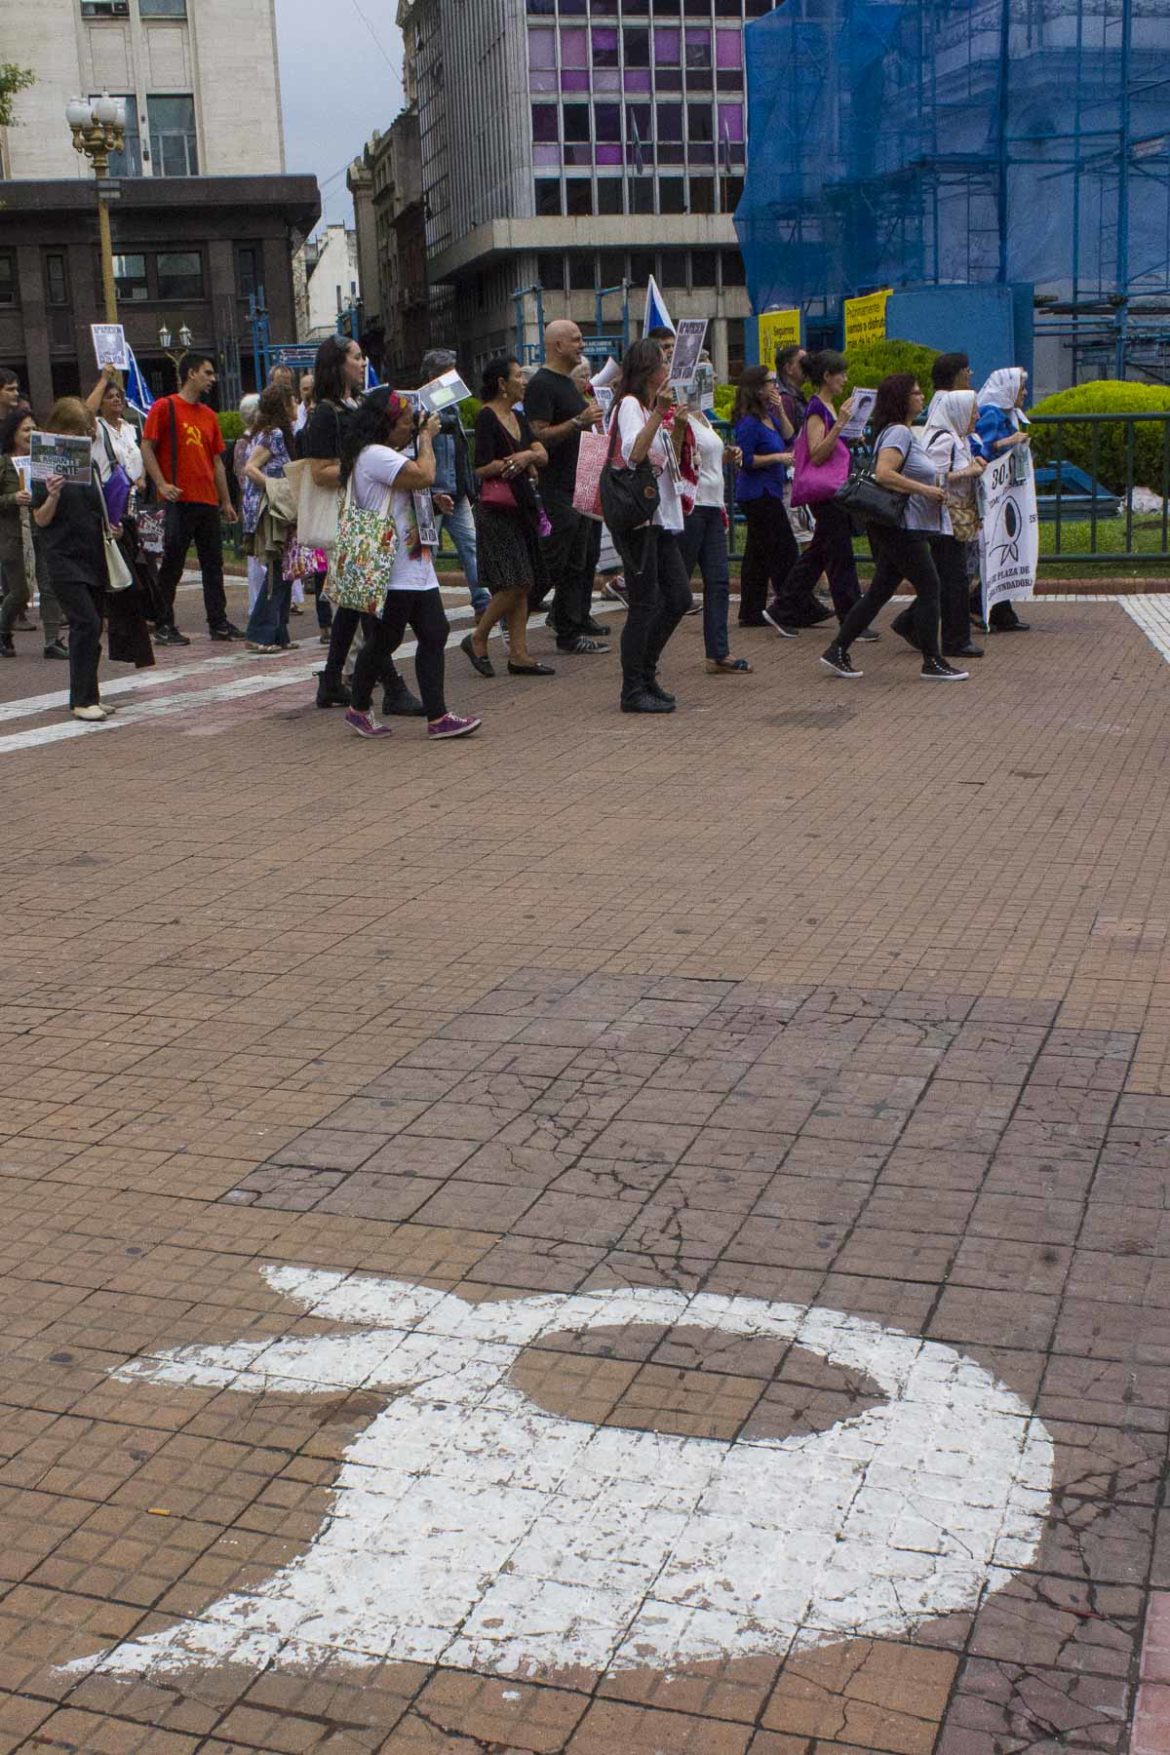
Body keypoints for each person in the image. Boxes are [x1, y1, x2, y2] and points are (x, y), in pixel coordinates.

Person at [338, 386, 480, 742]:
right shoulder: (373, 455)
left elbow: (407, 495)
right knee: (384, 641)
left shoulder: (388, 453)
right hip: (390, 566)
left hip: (415, 561)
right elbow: (424, 475)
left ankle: (438, 717)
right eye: (404, 423)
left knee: (434, 632)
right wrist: (427, 438)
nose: (410, 429)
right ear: (383, 425)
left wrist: (433, 505)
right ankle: (358, 707)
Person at [821, 374, 968, 682]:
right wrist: (925, 490)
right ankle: (932, 660)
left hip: (899, 525)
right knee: (931, 587)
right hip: (902, 526)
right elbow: (884, 473)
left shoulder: (899, 432)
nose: (921, 398)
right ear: (901, 399)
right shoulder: (898, 433)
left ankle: (837, 650)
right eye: (915, 394)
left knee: (879, 592)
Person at [303, 335, 421, 716]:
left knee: (354, 606)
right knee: (368, 605)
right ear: (338, 364)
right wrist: (364, 469)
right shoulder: (325, 413)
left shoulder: (351, 405)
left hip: (363, 516)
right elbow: (320, 472)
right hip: (349, 520)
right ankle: (391, 687)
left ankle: (333, 679)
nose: (361, 362)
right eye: (355, 357)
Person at [610, 338, 692, 715]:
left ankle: (647, 672)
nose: (667, 370)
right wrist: (659, 414)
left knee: (678, 597)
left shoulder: (647, 408)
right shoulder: (630, 406)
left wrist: (676, 422)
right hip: (639, 519)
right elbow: (633, 454)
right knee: (643, 604)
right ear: (647, 371)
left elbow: (663, 459)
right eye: (662, 364)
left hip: (659, 518)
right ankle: (633, 688)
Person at [461, 356, 553, 679]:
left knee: (525, 581)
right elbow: (481, 466)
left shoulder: (518, 416)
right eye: (517, 376)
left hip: (522, 507)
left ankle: (519, 654)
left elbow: (542, 453)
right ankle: (478, 637)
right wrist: (509, 464)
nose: (523, 381)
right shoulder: (487, 416)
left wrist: (527, 455)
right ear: (502, 383)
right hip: (498, 509)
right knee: (516, 581)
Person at [141, 352, 241, 645]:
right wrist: (161, 483)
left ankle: (218, 622)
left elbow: (217, 462)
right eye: (208, 373)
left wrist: (226, 501)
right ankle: (162, 622)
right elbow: (147, 447)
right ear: (191, 373)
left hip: (207, 501)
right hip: (178, 500)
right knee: (172, 562)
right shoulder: (165, 407)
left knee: (213, 564)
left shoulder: (209, 416)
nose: (213, 379)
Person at [524, 320, 609, 654]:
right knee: (558, 556)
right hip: (558, 484)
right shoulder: (542, 385)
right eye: (576, 340)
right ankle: (515, 607)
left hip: (583, 480)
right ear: (557, 345)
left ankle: (570, 625)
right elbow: (538, 434)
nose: (582, 345)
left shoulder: (569, 384)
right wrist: (578, 422)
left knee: (583, 556)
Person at [29, 398, 115, 720]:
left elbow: (97, 506)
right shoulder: (45, 468)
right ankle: (81, 699)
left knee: (94, 626)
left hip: (91, 552)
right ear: (62, 431)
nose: (86, 435)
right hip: (62, 555)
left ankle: (89, 693)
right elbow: (40, 518)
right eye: (79, 430)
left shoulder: (89, 466)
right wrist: (52, 494)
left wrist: (111, 523)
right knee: (85, 622)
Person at [781, 348, 870, 640]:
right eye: (840, 374)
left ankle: (783, 607)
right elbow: (818, 453)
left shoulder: (830, 407)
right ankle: (851, 618)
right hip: (826, 491)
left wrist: (849, 433)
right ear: (827, 376)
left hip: (835, 488)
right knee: (840, 555)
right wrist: (842, 424)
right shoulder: (818, 408)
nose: (844, 379)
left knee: (819, 553)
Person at [890, 389, 986, 660]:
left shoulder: (959, 438)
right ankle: (955, 639)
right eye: (972, 411)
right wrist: (970, 470)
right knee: (953, 579)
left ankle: (911, 623)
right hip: (945, 518)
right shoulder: (945, 440)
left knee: (945, 579)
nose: (976, 416)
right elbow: (936, 476)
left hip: (946, 517)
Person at [675, 395, 750, 674]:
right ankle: (647, 650)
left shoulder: (702, 416)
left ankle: (718, 654)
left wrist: (726, 456)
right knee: (676, 583)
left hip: (713, 506)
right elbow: (672, 457)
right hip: (691, 506)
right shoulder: (674, 414)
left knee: (718, 581)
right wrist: (678, 427)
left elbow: (705, 457)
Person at [732, 365, 806, 630]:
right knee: (783, 548)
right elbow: (746, 459)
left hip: (770, 488)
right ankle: (789, 607)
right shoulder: (748, 423)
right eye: (770, 382)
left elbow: (789, 436)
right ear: (757, 388)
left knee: (757, 554)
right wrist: (777, 457)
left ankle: (751, 610)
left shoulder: (768, 417)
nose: (775, 386)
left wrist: (781, 411)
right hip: (757, 493)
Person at [418, 346, 489, 623]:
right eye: (449, 371)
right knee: (427, 553)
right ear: (435, 376)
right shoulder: (424, 404)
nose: (454, 375)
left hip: (456, 491)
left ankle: (482, 602)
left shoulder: (453, 403)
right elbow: (432, 426)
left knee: (470, 545)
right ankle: (424, 607)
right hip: (432, 492)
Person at [0, 408, 68, 659]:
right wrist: (12, 498)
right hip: (13, 537)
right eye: (26, 430)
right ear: (13, 433)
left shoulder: (45, 460)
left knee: (50, 586)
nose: (32, 434)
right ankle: (3, 630)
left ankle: (52, 641)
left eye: (34, 428)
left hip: (44, 532)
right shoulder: (4, 462)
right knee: (19, 592)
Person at [242, 383, 298, 655]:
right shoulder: (274, 434)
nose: (297, 405)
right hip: (273, 509)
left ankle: (278, 632)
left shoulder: (281, 433)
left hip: (280, 508)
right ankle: (260, 632)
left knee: (285, 568)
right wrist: (273, 486)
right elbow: (250, 467)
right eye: (293, 401)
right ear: (284, 405)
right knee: (278, 569)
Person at [975, 367, 1032, 633]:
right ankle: (982, 604)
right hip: (994, 492)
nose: (1025, 394)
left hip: (1006, 491)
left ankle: (1000, 609)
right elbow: (984, 448)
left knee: (1004, 545)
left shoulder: (1007, 413)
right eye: (1021, 388)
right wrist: (1010, 440)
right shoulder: (990, 412)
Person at [775, 343, 809, 435]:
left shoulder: (797, 395)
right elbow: (788, 438)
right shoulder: (784, 399)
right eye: (803, 363)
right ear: (789, 368)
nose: (808, 367)